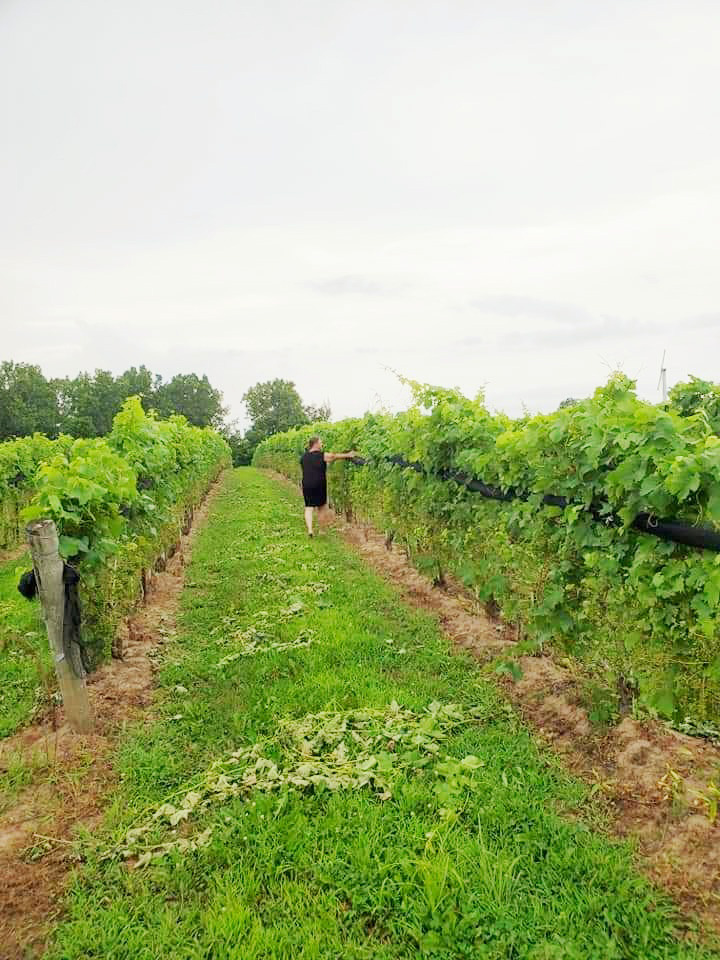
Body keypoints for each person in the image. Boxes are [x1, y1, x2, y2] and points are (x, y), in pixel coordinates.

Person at [300, 436, 357, 536]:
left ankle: (310, 530)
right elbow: (333, 456)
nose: (322, 445)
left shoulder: (303, 457)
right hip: (319, 484)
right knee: (321, 507)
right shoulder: (322, 455)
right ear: (316, 444)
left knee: (309, 507)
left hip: (306, 483)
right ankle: (322, 531)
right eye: (320, 443)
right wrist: (348, 454)